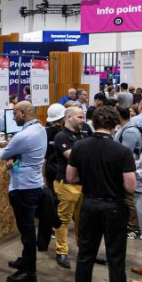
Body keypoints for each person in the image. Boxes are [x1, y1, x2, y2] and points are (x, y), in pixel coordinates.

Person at [67, 106, 142, 282]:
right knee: (116, 260)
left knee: (85, 256)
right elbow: (130, 186)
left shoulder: (79, 146)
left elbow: (70, 177)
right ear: (115, 124)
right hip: (113, 208)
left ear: (93, 122)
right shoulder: (121, 151)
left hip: (89, 205)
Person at [0, 101, 46, 282]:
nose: (13, 117)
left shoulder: (23, 136)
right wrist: (17, 155)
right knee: (26, 229)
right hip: (33, 185)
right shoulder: (40, 129)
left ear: (22, 112)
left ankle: (30, 271)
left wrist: (13, 152)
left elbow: (3, 154)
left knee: (26, 231)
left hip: (23, 188)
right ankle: (25, 260)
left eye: (14, 114)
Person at [51, 106, 88, 269]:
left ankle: (85, 250)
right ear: (69, 117)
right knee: (63, 219)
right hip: (66, 184)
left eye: (83, 117)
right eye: (80, 117)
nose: (83, 120)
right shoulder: (61, 137)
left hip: (83, 185)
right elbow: (74, 157)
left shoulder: (83, 134)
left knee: (83, 220)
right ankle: (61, 252)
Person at [115, 106, 142, 240]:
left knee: (131, 199)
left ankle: (134, 227)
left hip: (131, 171)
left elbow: (124, 154)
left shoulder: (130, 131)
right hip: (129, 170)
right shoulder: (125, 129)